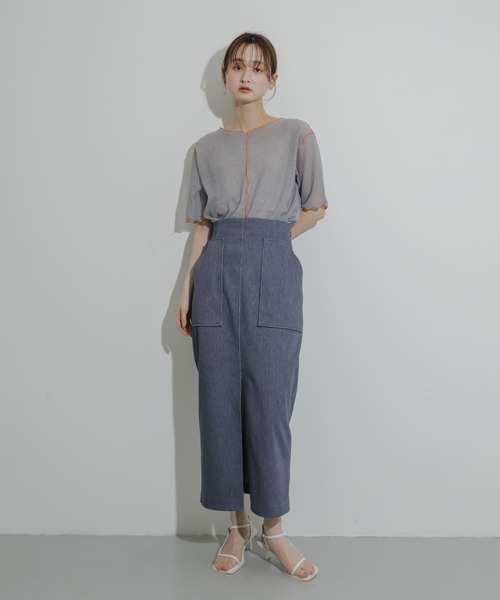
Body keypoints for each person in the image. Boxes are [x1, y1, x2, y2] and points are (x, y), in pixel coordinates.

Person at [177, 31, 328, 581]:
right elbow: (201, 226)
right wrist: (186, 290)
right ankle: (236, 528)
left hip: (274, 270)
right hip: (216, 272)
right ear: (224, 77)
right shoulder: (203, 148)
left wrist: (273, 239)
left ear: (272, 79)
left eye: (257, 67)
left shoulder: (296, 134)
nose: (246, 75)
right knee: (218, 403)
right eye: (237, 66)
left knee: (270, 405)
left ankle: (275, 529)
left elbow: (316, 206)